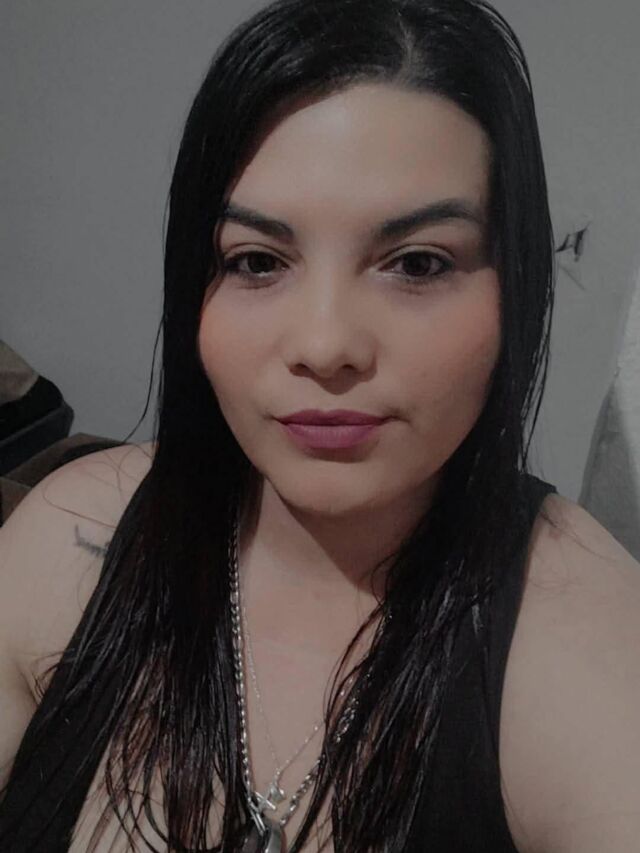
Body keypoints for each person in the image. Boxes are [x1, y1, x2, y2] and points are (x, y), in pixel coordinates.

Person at [1, 0, 639, 850]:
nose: (325, 345)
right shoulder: (69, 538)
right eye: (257, 261)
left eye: (418, 262)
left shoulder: (583, 644)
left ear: (514, 287)